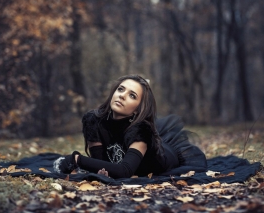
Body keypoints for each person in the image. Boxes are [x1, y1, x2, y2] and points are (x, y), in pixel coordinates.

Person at [53, 74, 207, 178]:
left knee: (161, 148)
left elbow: (125, 170)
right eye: (121, 89)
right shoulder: (93, 120)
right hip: (126, 155)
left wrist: (77, 159)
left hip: (161, 158)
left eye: (132, 95)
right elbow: (99, 162)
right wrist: (99, 169)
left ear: (138, 109)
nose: (122, 95)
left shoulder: (140, 130)